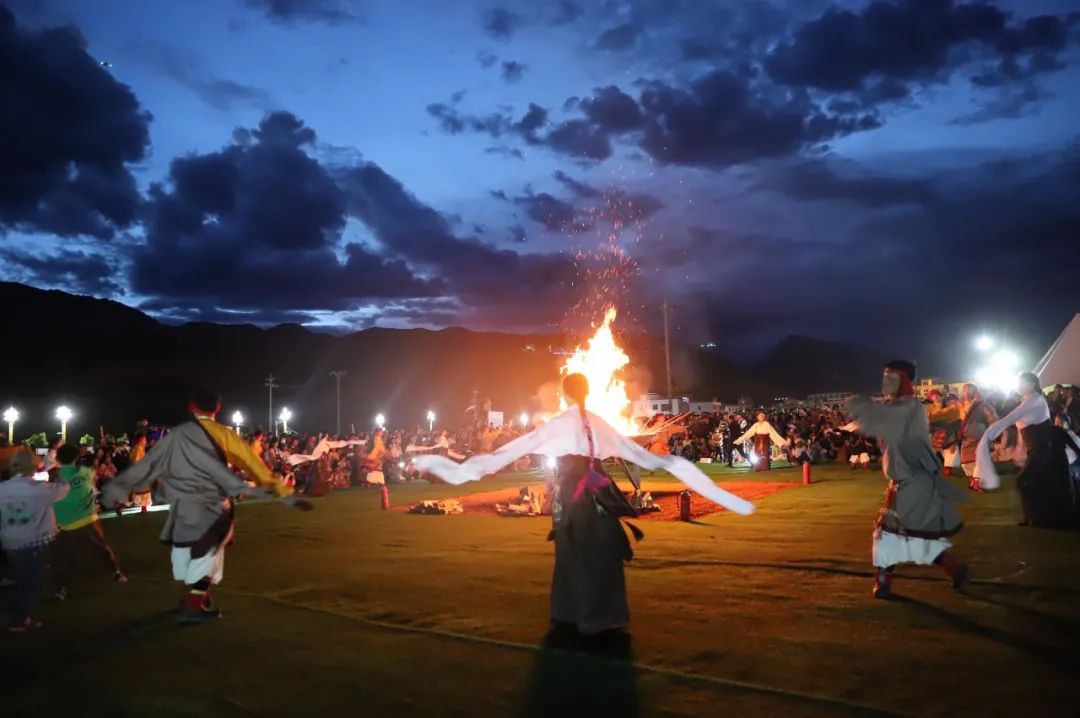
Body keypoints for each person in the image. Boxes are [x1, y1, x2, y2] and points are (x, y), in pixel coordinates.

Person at [415, 373, 755, 635]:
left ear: (565, 394)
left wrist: (458, 470)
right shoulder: (597, 422)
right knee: (598, 550)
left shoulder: (562, 424)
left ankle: (577, 614)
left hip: (574, 493)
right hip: (597, 491)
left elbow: (510, 451)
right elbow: (640, 455)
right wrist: (683, 471)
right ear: (586, 391)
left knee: (574, 550)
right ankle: (593, 615)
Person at [102, 388, 303, 623]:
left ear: (191, 407)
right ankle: (193, 605)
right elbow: (254, 466)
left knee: (196, 551)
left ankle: (197, 598)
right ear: (217, 408)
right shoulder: (225, 435)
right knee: (210, 554)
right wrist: (283, 490)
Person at [846, 361, 970, 599]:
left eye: (890, 377)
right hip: (906, 481)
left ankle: (883, 581)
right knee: (909, 534)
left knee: (887, 532)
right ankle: (954, 569)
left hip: (913, 480)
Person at [974, 372, 1078, 528]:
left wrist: (989, 434)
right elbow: (1019, 426)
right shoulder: (1028, 400)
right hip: (1037, 448)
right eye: (1019, 382)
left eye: (1022, 383)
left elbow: (1011, 418)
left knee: (1026, 480)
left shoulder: (1035, 400)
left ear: (1032, 384)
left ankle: (1032, 517)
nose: (1019, 386)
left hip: (1045, 448)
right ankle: (1033, 517)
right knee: (1036, 482)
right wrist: (1019, 450)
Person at [0, 449, 70, 631]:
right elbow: (64, 489)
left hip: (10, 541)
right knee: (30, 581)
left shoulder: (3, 488)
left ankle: (15, 611)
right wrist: (59, 475)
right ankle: (20, 619)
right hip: (32, 541)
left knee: (21, 577)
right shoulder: (40, 489)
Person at [52, 444, 126, 599]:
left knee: (63, 558)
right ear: (77, 457)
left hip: (67, 522)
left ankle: (62, 589)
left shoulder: (55, 476)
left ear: (58, 459)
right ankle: (116, 573)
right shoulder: (86, 472)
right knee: (101, 549)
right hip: (88, 517)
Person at [955, 384, 998, 491]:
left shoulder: (983, 406)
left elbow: (992, 419)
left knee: (980, 460)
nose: (967, 392)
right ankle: (973, 481)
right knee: (966, 462)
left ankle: (976, 482)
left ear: (975, 391)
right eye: (965, 390)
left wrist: (992, 433)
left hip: (981, 438)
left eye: (969, 390)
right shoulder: (959, 406)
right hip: (965, 438)